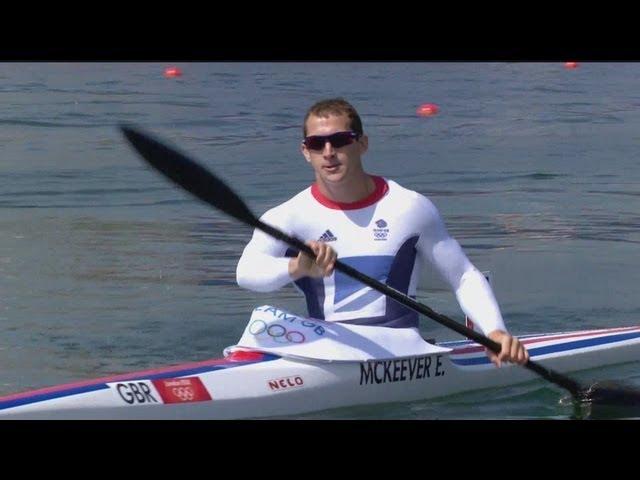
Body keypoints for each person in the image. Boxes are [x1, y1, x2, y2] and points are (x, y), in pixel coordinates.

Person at [236, 98, 528, 367]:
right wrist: (297, 266)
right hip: (326, 352)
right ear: (305, 152)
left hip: (401, 352)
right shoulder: (288, 216)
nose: (328, 152)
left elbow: (463, 276)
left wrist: (496, 331)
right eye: (317, 143)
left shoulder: (408, 207)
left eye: (340, 140)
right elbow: (247, 274)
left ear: (362, 144)